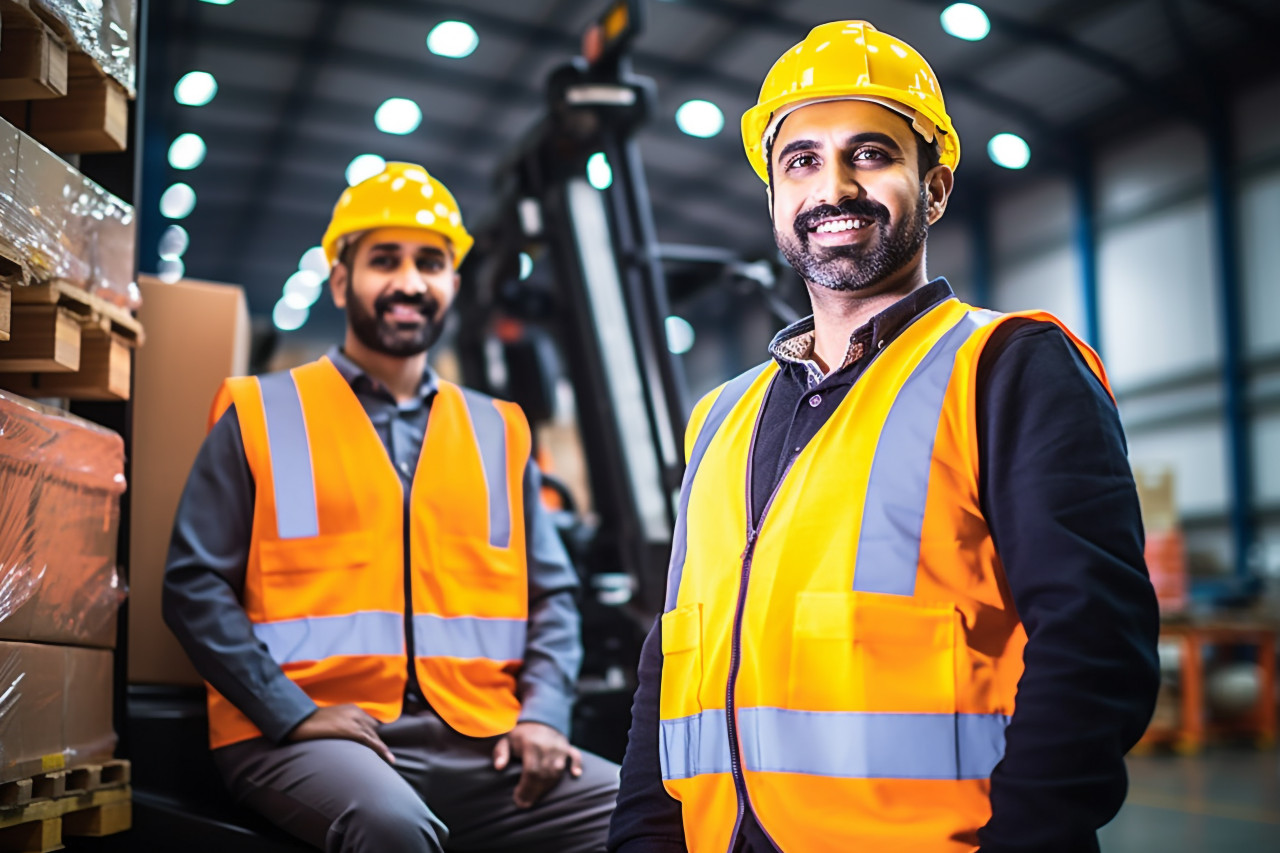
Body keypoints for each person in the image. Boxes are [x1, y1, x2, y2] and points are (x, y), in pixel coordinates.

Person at [608, 21, 1159, 853]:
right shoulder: (721, 414)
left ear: (933, 189)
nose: (833, 187)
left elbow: (1094, 640)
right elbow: (673, 652)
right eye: (801, 161)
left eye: (869, 154)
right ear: (774, 200)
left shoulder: (1007, 365)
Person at [163, 161, 618, 853]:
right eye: (385, 261)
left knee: (643, 812)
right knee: (391, 828)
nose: (409, 282)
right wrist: (288, 711)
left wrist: (545, 714)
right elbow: (193, 586)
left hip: (477, 736)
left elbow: (552, 594)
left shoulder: (499, 430)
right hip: (308, 736)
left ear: (452, 284)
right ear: (340, 280)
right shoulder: (260, 413)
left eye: (429, 263)